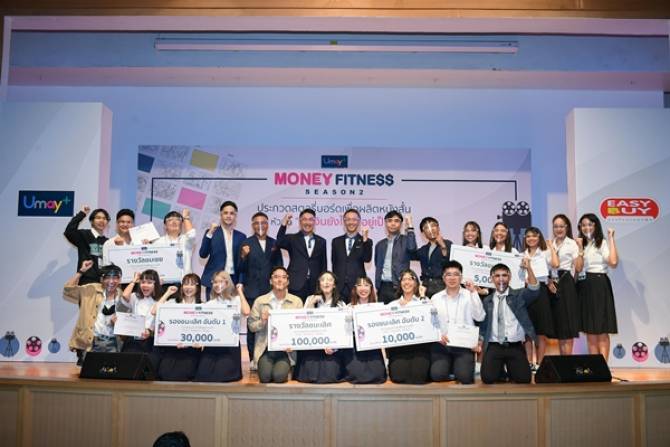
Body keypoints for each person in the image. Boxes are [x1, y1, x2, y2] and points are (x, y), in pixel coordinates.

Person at [480, 260, 540, 384]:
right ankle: (500, 371)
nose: (501, 279)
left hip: (514, 345)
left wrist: (528, 268)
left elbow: (534, 289)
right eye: (497, 276)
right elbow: (483, 325)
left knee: (524, 379)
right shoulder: (487, 301)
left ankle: (510, 370)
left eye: (504, 275)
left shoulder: (519, 295)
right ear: (492, 278)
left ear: (509, 277)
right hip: (494, 345)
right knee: (488, 378)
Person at [239, 211, 283, 370]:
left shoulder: (274, 243)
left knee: (273, 324)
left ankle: (274, 357)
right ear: (252, 225)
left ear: (267, 224)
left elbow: (279, 267)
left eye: (263, 222)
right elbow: (240, 268)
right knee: (252, 327)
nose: (260, 225)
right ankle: (253, 359)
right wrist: (243, 256)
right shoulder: (246, 243)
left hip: (271, 292)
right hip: (252, 291)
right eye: (256, 223)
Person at [429, 261, 485, 384]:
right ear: (443, 278)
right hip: (443, 345)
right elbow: (431, 323)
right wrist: (438, 336)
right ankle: (452, 369)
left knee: (465, 378)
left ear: (461, 277)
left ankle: (458, 369)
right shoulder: (435, 298)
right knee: (437, 375)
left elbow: (480, 317)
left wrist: (474, 292)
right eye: (448, 274)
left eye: (456, 274)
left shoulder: (469, 295)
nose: (452, 278)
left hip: (463, 345)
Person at [247, 267, 303, 383]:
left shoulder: (296, 302)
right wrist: (262, 322)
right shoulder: (260, 301)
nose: (280, 280)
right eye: (276, 277)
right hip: (266, 349)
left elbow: (301, 328)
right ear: (270, 281)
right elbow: (251, 326)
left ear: (288, 281)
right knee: (265, 377)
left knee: (279, 377)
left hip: (286, 351)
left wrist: (294, 344)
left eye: (283, 277)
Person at [63, 260, 123, 363]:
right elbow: (68, 290)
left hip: (113, 342)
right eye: (107, 277)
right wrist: (81, 271)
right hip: (92, 342)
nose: (111, 281)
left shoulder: (122, 295)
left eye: (115, 278)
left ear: (119, 279)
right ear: (101, 279)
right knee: (89, 371)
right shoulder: (91, 289)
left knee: (111, 371)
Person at [577, 213, 619, 361]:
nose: (586, 227)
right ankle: (595, 366)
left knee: (601, 328)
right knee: (590, 330)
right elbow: (578, 268)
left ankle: (604, 367)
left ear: (596, 226)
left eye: (590, 224)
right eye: (583, 225)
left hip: (599, 284)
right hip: (584, 285)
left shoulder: (602, 243)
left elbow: (613, 262)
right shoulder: (580, 244)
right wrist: (579, 249)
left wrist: (611, 238)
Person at [195, 271, 250, 382]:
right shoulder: (210, 304)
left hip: (230, 345)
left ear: (227, 283)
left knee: (222, 375)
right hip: (213, 344)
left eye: (221, 281)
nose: (217, 284)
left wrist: (240, 292)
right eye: (215, 282)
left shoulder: (236, 300)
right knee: (202, 375)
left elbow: (246, 311)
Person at [294, 271, 346, 383]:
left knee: (330, 375)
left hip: (331, 348)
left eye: (329, 280)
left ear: (334, 285)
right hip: (313, 346)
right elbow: (303, 324)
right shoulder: (310, 299)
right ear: (319, 283)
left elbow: (342, 330)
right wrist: (311, 304)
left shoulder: (340, 304)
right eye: (323, 280)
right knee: (309, 374)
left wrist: (334, 347)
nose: (326, 282)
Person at [152, 274, 203, 381]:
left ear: (198, 287)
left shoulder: (203, 306)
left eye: (192, 284)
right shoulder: (173, 302)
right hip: (172, 347)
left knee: (186, 376)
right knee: (164, 374)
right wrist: (168, 293)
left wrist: (200, 343)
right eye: (185, 284)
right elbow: (154, 311)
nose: (188, 287)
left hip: (191, 349)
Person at [522, 227, 559, 369]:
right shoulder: (521, 255)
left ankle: (540, 364)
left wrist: (551, 247)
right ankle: (528, 363)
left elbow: (555, 264)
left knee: (541, 331)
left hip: (541, 292)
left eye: (534, 236)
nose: (531, 239)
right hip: (526, 292)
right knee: (527, 332)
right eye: (528, 236)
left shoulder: (545, 252)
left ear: (539, 237)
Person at [386, 269, 432, 384]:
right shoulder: (392, 305)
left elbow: (430, 320)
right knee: (398, 378)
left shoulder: (424, 301)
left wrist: (422, 296)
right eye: (404, 279)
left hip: (419, 347)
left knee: (419, 378)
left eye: (410, 279)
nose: (407, 282)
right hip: (399, 348)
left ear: (416, 283)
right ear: (400, 283)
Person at [341, 277, 387, 384]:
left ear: (371, 288)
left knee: (378, 375)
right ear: (355, 288)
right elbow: (345, 332)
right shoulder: (348, 308)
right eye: (360, 285)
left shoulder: (378, 308)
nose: (363, 288)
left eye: (366, 285)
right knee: (356, 376)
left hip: (373, 347)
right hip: (355, 349)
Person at [548, 214, 583, 355]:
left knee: (567, 327)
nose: (558, 229)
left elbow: (578, 268)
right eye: (556, 226)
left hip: (566, 282)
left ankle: (567, 361)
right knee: (559, 327)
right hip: (552, 284)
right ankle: (562, 362)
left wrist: (580, 249)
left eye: (561, 226)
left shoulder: (572, 244)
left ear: (567, 227)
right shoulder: (549, 244)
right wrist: (549, 281)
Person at [199, 201, 247, 298]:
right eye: (225, 213)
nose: (228, 216)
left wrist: (241, 281)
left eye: (231, 213)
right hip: (214, 280)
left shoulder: (241, 236)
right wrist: (209, 234)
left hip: (233, 281)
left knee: (232, 308)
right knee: (212, 307)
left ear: (235, 216)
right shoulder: (212, 232)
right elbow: (203, 254)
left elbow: (242, 262)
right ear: (221, 215)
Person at [276, 209, 327, 299]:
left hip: (314, 286)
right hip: (296, 284)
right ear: (300, 221)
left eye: (310, 219)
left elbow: (323, 264)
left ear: (314, 222)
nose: (307, 222)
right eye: (304, 219)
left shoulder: (321, 241)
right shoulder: (292, 239)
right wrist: (284, 224)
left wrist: (323, 284)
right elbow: (279, 242)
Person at [119, 270, 161, 369]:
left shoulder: (160, 300)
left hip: (150, 341)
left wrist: (150, 332)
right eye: (142, 282)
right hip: (133, 340)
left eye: (149, 282)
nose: (145, 285)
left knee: (147, 370)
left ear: (155, 284)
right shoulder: (135, 297)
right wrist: (134, 280)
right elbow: (125, 296)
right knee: (127, 368)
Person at [374, 211, 418, 304]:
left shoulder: (405, 240)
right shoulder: (380, 244)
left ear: (401, 224)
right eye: (389, 221)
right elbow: (377, 264)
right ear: (385, 223)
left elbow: (412, 248)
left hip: (399, 286)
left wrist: (410, 226)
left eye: (396, 221)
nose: (393, 223)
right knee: (383, 313)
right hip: (382, 287)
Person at [331, 209, 372, 302]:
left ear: (359, 222)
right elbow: (334, 263)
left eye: (354, 219)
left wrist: (365, 241)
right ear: (344, 221)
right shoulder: (336, 241)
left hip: (357, 287)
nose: (351, 222)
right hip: (339, 287)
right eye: (348, 219)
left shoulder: (366, 241)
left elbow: (367, 259)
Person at [64, 204, 109, 285]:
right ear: (92, 221)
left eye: (104, 218)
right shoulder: (84, 235)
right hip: (86, 282)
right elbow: (69, 232)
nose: (102, 220)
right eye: (98, 218)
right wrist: (82, 214)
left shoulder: (108, 242)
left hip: (103, 283)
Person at [412, 217, 453, 298]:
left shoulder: (448, 244)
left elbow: (450, 266)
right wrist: (410, 229)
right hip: (426, 287)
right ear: (423, 233)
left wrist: (443, 247)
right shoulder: (423, 250)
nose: (431, 229)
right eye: (427, 227)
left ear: (438, 228)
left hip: (442, 286)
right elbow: (411, 251)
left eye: (433, 225)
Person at [153, 209, 197, 275]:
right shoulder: (158, 242)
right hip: (164, 279)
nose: (174, 222)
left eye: (177, 219)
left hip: (183, 280)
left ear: (182, 224)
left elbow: (192, 234)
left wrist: (186, 217)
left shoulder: (186, 240)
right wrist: (146, 246)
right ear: (165, 226)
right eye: (170, 220)